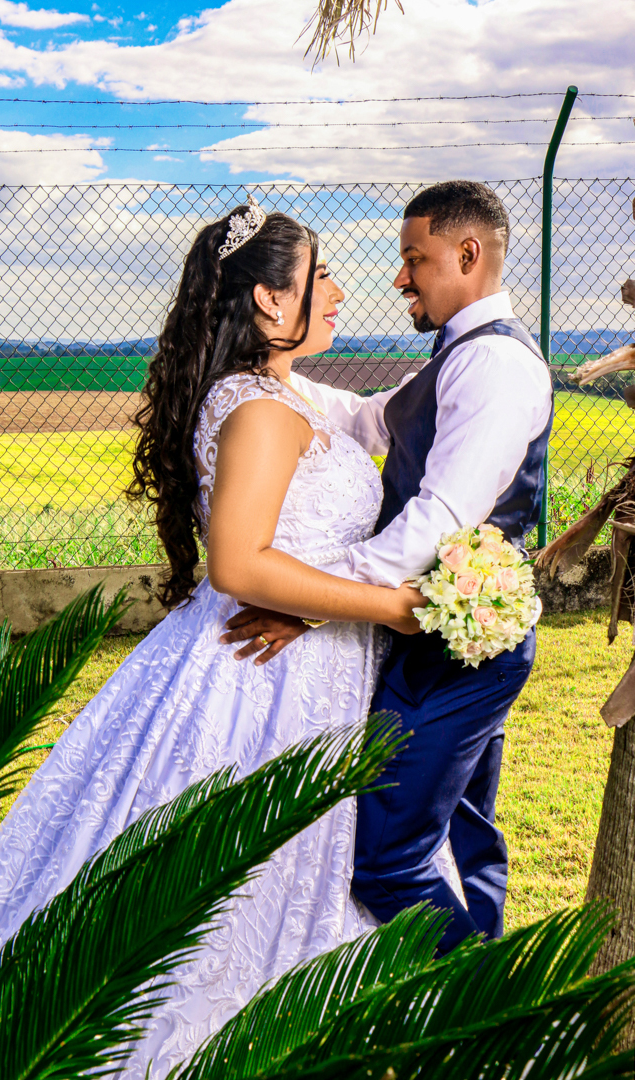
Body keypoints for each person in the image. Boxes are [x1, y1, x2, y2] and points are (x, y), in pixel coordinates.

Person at [0, 197, 426, 1079]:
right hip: (256, 682)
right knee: (215, 888)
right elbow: (237, 563)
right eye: (321, 276)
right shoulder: (262, 410)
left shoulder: (282, 393)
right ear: (271, 302)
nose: (342, 291)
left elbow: (383, 417)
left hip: (294, 662)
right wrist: (391, 607)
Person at [221, 181, 554, 955]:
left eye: (415, 259)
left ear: (468, 254)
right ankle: (485, 994)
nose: (400, 277)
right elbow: (370, 417)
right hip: (442, 635)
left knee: (388, 858)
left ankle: (474, 1023)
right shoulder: (462, 355)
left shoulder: (497, 368)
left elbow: (435, 523)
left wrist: (308, 599)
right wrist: (265, 366)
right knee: (462, 839)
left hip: (458, 649)